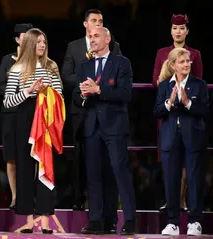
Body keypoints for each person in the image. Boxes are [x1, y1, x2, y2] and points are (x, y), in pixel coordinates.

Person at [61, 10, 120, 232]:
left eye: (101, 21)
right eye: (94, 21)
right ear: (85, 24)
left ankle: (109, 218)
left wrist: (99, 86)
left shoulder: (112, 44)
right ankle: (82, 205)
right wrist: (86, 84)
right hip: (82, 113)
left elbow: (118, 71)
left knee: (110, 168)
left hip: (109, 115)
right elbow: (66, 75)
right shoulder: (74, 47)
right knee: (84, 163)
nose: (97, 24)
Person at [74, 27, 135, 235]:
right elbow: (76, 97)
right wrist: (83, 94)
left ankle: (129, 219)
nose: (92, 39)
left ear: (108, 39)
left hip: (115, 126)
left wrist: (98, 90)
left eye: (96, 36)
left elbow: (125, 94)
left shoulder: (121, 63)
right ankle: (97, 220)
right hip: (92, 127)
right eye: (90, 36)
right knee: (94, 175)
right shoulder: (85, 66)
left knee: (120, 172)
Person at [3, 28, 63, 234]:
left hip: (46, 117)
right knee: (25, 168)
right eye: (38, 42)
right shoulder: (17, 69)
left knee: (46, 167)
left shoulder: (51, 66)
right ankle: (28, 220)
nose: (42, 45)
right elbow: (8, 101)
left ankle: (46, 221)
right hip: (25, 117)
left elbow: (60, 96)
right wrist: (28, 91)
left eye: (44, 42)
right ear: (28, 43)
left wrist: (47, 92)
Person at [153, 47, 208, 236]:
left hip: (193, 137)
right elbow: (157, 112)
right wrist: (169, 102)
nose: (186, 65)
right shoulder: (164, 86)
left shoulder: (199, 85)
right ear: (173, 65)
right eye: (182, 62)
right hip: (170, 137)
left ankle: (195, 221)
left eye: (188, 62)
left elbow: (205, 111)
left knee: (194, 178)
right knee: (171, 180)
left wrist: (187, 103)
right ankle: (173, 222)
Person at [152, 14, 203, 212]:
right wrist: (169, 92)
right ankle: (172, 201)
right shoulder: (162, 53)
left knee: (188, 158)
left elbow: (198, 83)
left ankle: (183, 200)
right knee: (168, 155)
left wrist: (185, 97)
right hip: (168, 108)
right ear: (171, 30)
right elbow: (155, 80)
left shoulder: (195, 54)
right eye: (175, 28)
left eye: (182, 28)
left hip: (189, 111)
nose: (178, 31)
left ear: (187, 31)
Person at [0, 23, 33, 209]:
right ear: (17, 39)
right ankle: (14, 196)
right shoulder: (7, 60)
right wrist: (19, 93)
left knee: (31, 155)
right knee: (11, 156)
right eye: (24, 37)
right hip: (11, 113)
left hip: (31, 113)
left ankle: (29, 194)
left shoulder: (38, 59)